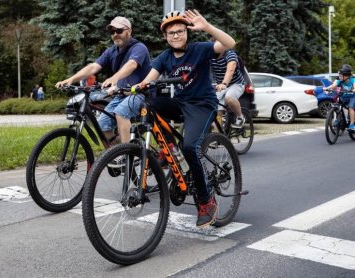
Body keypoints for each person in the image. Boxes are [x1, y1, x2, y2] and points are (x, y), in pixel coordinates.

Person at [136, 10, 235, 228]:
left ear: (186, 33)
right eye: (171, 33)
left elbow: (229, 43)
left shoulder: (200, 49)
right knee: (149, 100)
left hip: (201, 105)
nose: (176, 36)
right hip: (180, 104)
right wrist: (132, 87)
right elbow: (148, 80)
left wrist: (208, 27)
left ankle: (206, 201)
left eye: (180, 31)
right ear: (166, 36)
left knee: (191, 147)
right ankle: (168, 148)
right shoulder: (165, 57)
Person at [56, 16, 151, 160]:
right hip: (122, 95)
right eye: (112, 31)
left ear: (129, 31)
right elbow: (94, 67)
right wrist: (71, 79)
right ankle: (123, 151)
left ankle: (127, 158)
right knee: (102, 124)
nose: (115, 34)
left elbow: (132, 64)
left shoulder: (139, 48)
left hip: (140, 94)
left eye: (119, 30)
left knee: (121, 112)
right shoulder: (111, 51)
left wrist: (114, 78)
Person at [210, 43, 245, 128]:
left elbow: (230, 70)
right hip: (220, 85)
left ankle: (240, 117)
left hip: (236, 84)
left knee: (229, 98)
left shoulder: (230, 54)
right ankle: (220, 135)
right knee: (218, 109)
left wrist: (224, 83)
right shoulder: (211, 55)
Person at [324, 64, 355, 130]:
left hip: (353, 96)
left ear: (346, 76)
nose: (339, 77)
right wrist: (327, 88)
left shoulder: (353, 80)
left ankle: (352, 124)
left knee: (351, 108)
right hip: (344, 96)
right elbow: (334, 85)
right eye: (339, 75)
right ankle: (337, 119)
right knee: (337, 106)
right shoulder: (340, 80)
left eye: (341, 76)